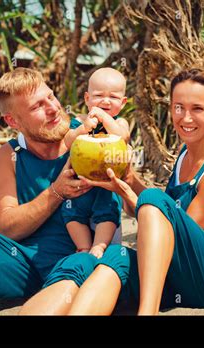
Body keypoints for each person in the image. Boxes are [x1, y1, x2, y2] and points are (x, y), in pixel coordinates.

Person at [48, 68, 204, 315]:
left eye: (197, 109)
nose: (186, 117)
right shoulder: (184, 154)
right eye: (178, 107)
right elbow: (161, 217)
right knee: (115, 255)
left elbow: (175, 234)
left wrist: (130, 194)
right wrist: (127, 179)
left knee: (152, 197)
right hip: (179, 274)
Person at [0, 67, 114, 315]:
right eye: (37, 106)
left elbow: (123, 190)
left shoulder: (91, 132)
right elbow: (7, 226)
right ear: (12, 121)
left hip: (77, 259)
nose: (52, 108)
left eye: (50, 96)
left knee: (82, 263)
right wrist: (56, 192)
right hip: (24, 264)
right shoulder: (9, 155)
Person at [60, 68, 130, 259]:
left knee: (108, 213)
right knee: (71, 214)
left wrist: (103, 117)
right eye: (99, 96)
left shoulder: (120, 122)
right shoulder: (79, 121)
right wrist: (82, 129)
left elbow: (122, 136)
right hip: (80, 181)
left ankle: (98, 247)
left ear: (123, 103)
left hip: (107, 184)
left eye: (113, 97)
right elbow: (67, 142)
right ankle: (83, 247)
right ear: (87, 98)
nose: (106, 101)